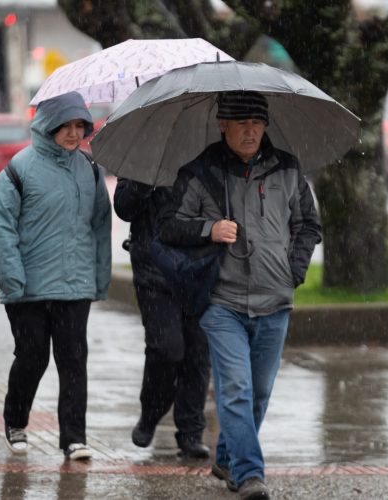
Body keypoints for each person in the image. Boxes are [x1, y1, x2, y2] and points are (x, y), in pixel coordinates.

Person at [157, 91, 321, 500]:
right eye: (241, 123)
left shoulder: (287, 168)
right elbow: (168, 226)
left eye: (257, 123)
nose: (251, 131)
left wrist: (293, 272)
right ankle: (250, 475)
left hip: (275, 300)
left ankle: (228, 459)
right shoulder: (200, 172)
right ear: (222, 125)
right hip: (221, 301)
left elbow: (307, 225)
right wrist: (208, 230)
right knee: (235, 390)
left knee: (259, 393)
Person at [0, 91, 112, 461]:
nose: (74, 134)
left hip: (75, 285)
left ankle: (74, 436)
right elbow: (2, 228)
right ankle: (15, 419)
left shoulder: (90, 169)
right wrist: (13, 281)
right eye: (67, 126)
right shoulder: (18, 170)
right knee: (33, 357)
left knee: (73, 360)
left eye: (80, 126)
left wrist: (99, 278)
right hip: (27, 289)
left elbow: (100, 227)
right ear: (48, 125)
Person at [113, 179, 211, 459]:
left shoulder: (208, 154)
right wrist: (144, 184)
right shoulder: (147, 154)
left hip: (199, 270)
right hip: (154, 271)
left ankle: (191, 431)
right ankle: (151, 412)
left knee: (198, 353)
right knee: (166, 349)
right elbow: (124, 208)